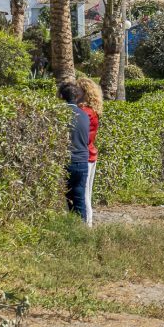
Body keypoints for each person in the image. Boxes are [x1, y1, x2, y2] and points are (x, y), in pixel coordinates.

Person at [58, 82, 91, 221]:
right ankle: (81, 230)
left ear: (60, 96)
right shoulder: (84, 115)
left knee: (66, 200)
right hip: (82, 161)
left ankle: (71, 228)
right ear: (77, 97)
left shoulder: (59, 114)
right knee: (79, 199)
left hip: (67, 161)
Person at [77, 77, 102, 227]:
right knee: (87, 193)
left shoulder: (84, 112)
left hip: (84, 155)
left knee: (84, 194)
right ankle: (88, 223)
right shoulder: (93, 111)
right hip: (91, 153)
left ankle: (87, 225)